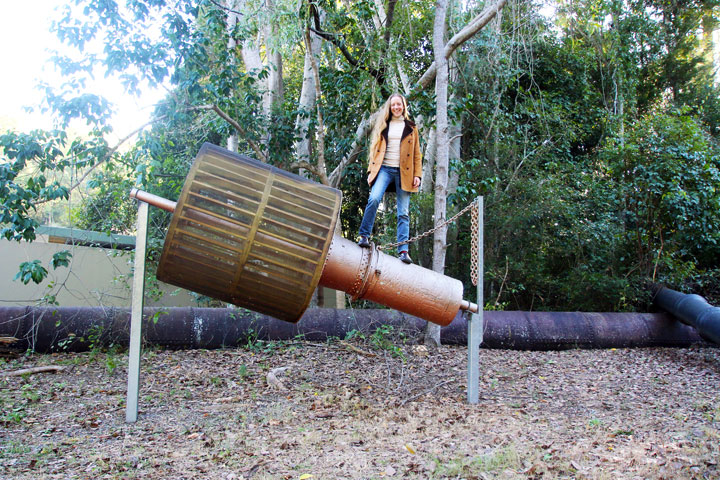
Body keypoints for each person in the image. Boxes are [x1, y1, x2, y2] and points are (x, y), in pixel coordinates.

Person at [357, 93, 422, 264]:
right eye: (393, 105)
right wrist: (371, 170)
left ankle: (403, 250)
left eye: (399, 104)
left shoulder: (411, 127)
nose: (396, 107)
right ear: (390, 107)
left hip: (404, 172)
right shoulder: (383, 125)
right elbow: (374, 149)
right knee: (374, 198)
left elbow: (416, 154)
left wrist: (417, 175)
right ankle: (364, 235)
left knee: (403, 213)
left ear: (403, 106)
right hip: (384, 169)